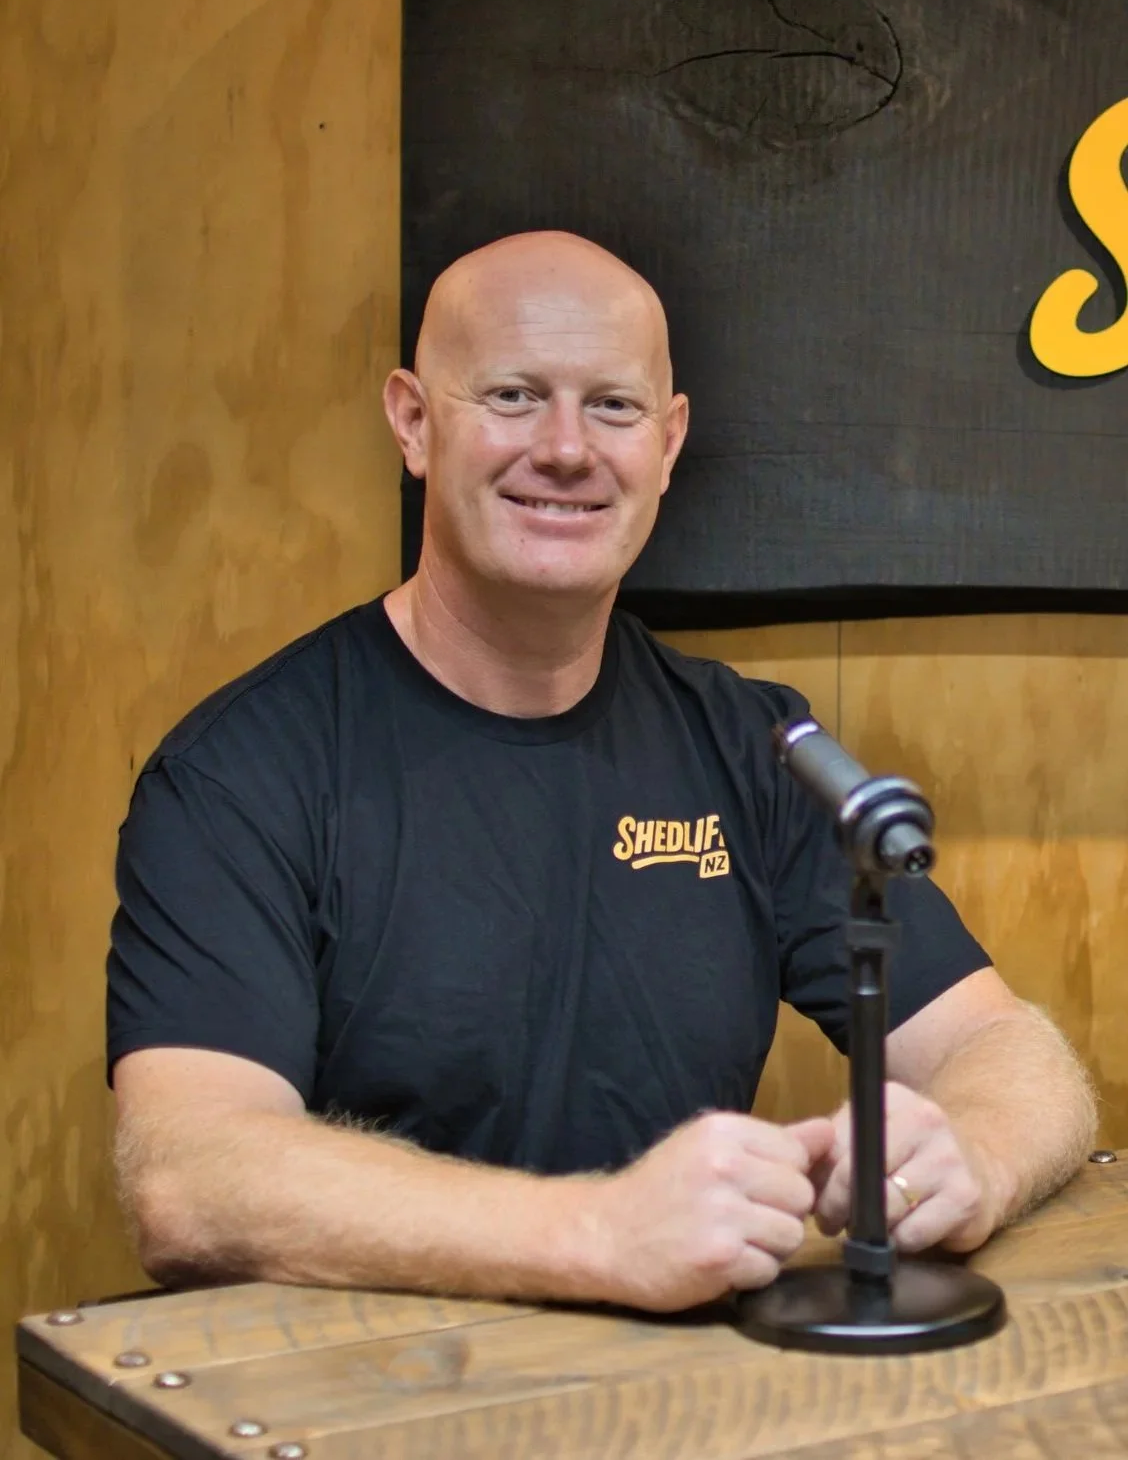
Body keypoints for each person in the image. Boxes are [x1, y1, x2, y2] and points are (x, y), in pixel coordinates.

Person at [109, 231, 1096, 1313]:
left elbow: (1001, 1044)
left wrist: (976, 1156)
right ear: (413, 421)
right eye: (514, 395)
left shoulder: (755, 747)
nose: (568, 448)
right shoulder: (242, 773)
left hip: (681, 1386)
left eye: (615, 407)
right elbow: (190, 1177)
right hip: (370, 1382)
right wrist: (596, 1234)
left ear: (668, 445)